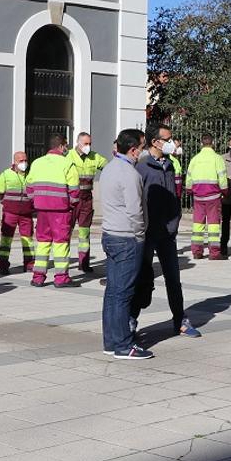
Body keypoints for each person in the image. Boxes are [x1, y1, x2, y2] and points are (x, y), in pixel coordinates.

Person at [98, 128, 152, 360]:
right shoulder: (130, 174)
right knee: (123, 294)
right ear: (132, 150)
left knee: (113, 292)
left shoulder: (109, 168)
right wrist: (140, 235)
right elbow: (135, 210)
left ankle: (111, 341)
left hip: (111, 234)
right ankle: (122, 345)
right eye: (142, 147)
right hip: (126, 237)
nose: (143, 151)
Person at [132, 129, 191, 337]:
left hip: (167, 233)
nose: (172, 143)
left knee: (173, 279)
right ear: (155, 142)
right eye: (168, 140)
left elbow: (174, 196)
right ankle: (132, 319)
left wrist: (175, 221)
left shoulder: (170, 165)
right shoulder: (142, 167)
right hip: (148, 232)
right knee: (143, 278)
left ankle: (180, 319)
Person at [26, 135, 80, 288]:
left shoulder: (37, 162)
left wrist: (36, 200)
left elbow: (29, 186)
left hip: (42, 209)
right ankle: (61, 278)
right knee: (60, 243)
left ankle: (38, 277)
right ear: (62, 146)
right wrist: (71, 204)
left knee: (42, 242)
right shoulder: (68, 163)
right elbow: (75, 191)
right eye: (66, 146)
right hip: (61, 210)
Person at [68, 132, 107, 273]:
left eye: (90, 144)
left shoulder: (95, 157)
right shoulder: (68, 156)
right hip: (71, 200)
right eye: (85, 144)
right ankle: (64, 263)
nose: (88, 146)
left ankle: (83, 263)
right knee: (67, 231)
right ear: (78, 143)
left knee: (85, 232)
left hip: (86, 199)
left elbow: (108, 168)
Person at [186, 134, 229, 259]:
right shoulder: (217, 159)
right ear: (213, 143)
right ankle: (214, 253)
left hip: (198, 197)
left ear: (201, 144)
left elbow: (189, 178)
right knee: (213, 225)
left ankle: (197, 252)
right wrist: (225, 192)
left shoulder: (195, 159)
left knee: (197, 225)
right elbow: (222, 178)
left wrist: (190, 191)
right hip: (213, 197)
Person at [0, 151, 34, 275]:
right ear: (15, 162)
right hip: (10, 213)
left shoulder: (31, 175)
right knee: (6, 239)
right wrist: (7, 204)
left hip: (26, 214)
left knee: (27, 239)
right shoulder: (6, 174)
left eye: (25, 160)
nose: (24, 163)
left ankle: (29, 264)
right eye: (21, 161)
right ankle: (3, 264)